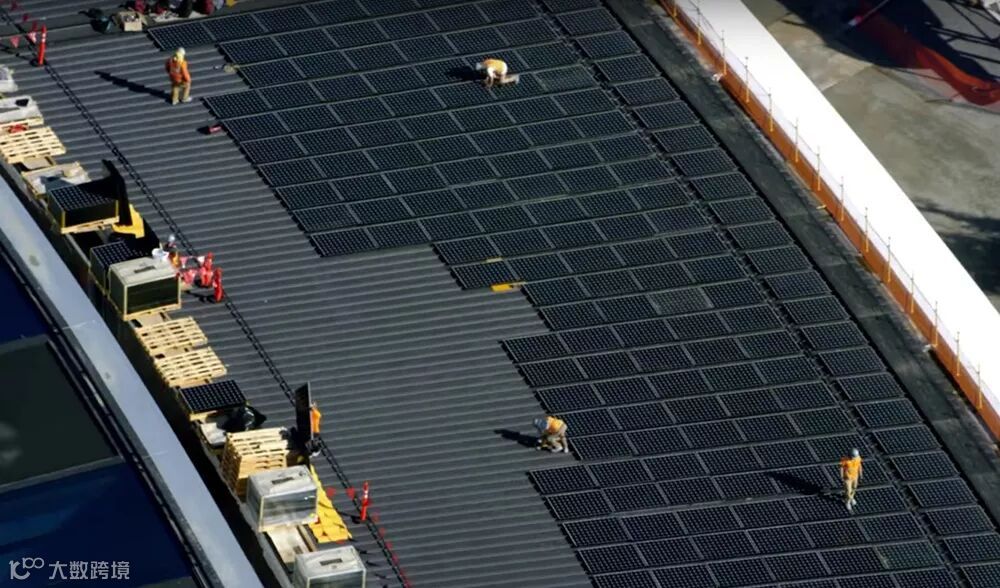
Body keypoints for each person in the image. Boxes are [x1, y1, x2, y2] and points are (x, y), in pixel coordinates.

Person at [840, 448, 863, 512]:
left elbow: (859, 466)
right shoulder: (845, 460)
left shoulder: (858, 458)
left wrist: (861, 475)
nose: (854, 458)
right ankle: (847, 502)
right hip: (847, 478)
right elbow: (841, 468)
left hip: (855, 477)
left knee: (854, 488)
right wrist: (841, 477)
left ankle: (851, 498)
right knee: (848, 491)